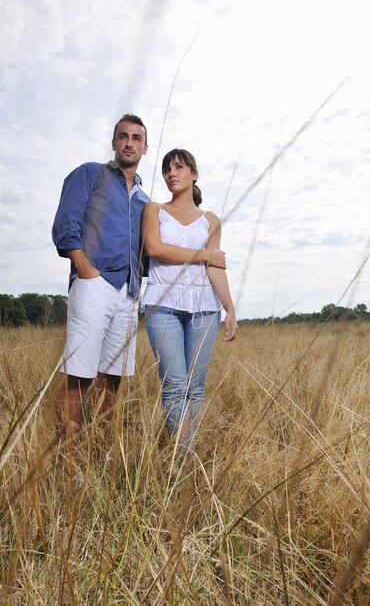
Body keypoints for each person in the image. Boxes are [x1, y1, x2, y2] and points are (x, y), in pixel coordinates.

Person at [52, 116, 226, 437]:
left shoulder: (147, 204)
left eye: (136, 138)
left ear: (145, 148)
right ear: (115, 142)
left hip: (130, 293)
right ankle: (69, 460)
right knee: (79, 374)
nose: (129, 143)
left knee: (111, 377)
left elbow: (150, 254)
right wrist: (84, 268)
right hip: (95, 284)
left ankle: (100, 449)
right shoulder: (91, 174)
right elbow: (67, 223)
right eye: (123, 136)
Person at [142, 148, 238, 450]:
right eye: (167, 169)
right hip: (163, 306)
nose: (172, 173)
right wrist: (205, 254)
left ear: (193, 174)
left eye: (179, 167)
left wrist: (230, 309)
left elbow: (215, 267)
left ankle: (188, 451)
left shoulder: (211, 220)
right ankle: (184, 458)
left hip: (205, 309)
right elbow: (154, 249)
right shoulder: (154, 209)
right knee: (173, 386)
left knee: (195, 388)